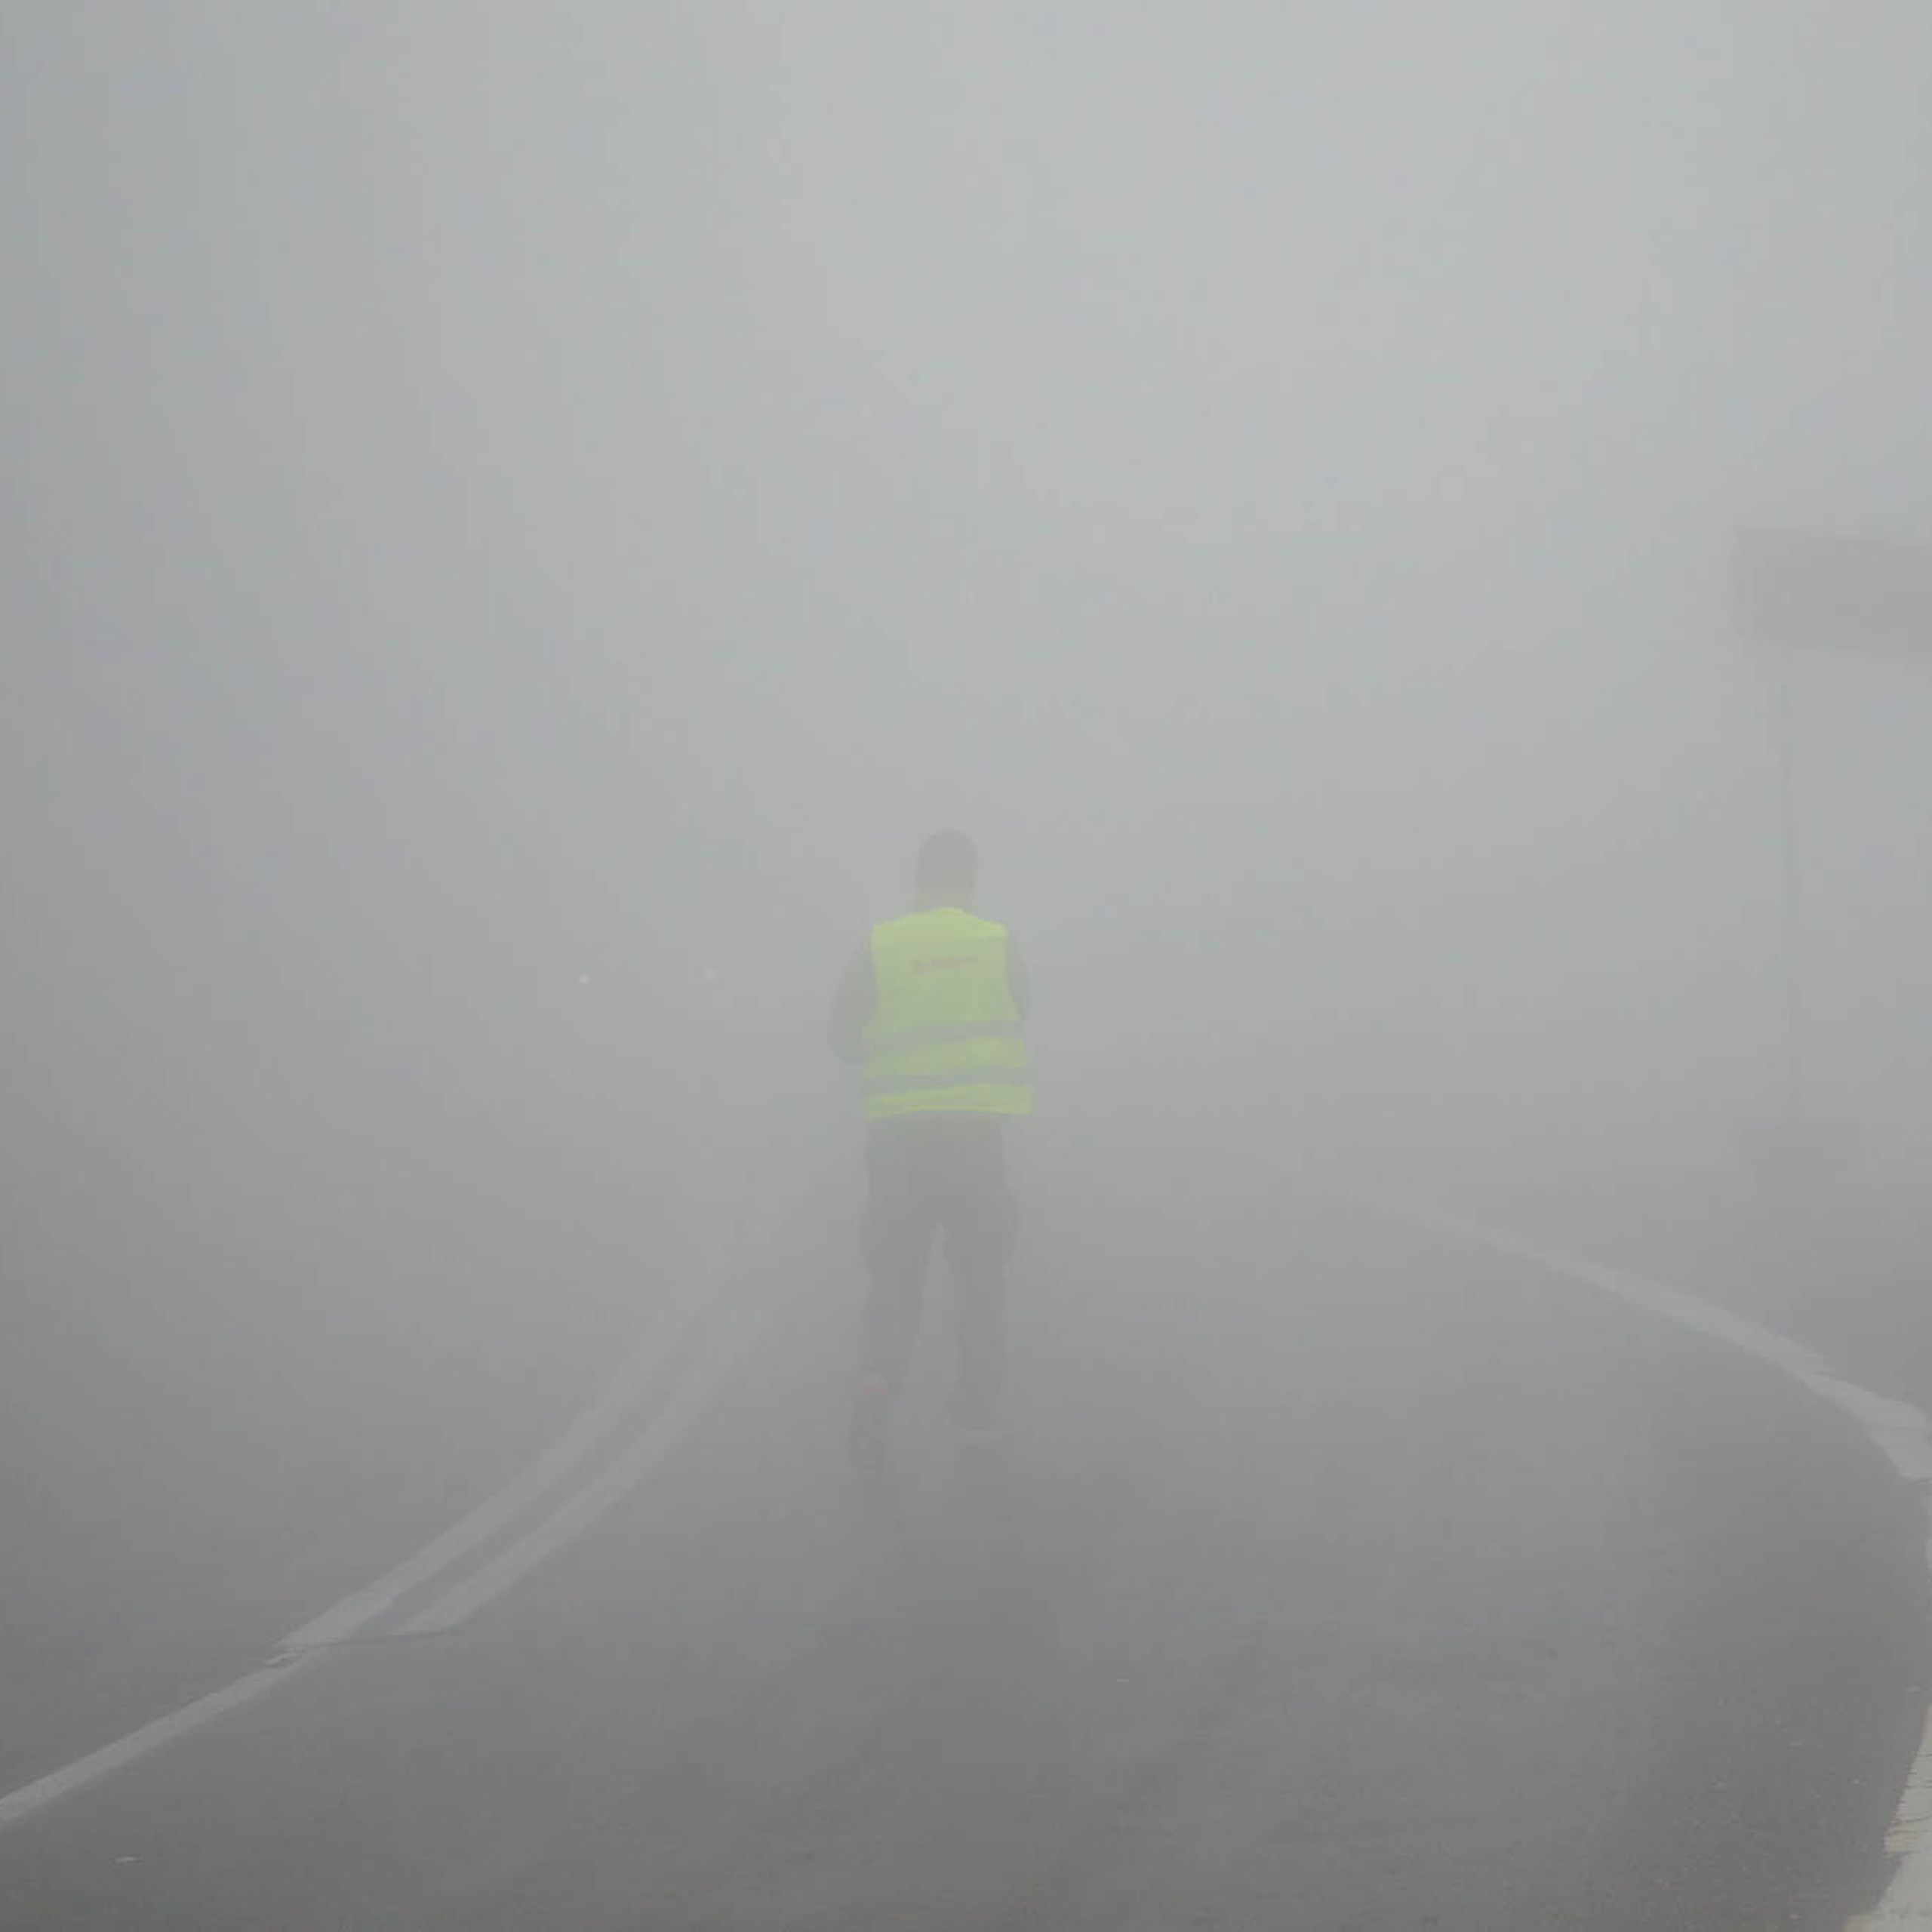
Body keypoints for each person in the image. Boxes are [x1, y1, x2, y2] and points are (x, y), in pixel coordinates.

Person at [827, 830, 1032, 1468]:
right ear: (970, 880)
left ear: (918, 881)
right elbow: (1018, 1014)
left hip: (899, 1142)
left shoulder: (879, 945)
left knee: (895, 1273)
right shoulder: (997, 943)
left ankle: (877, 1382)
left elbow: (843, 1038)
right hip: (974, 1140)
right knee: (980, 1276)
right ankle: (977, 1414)